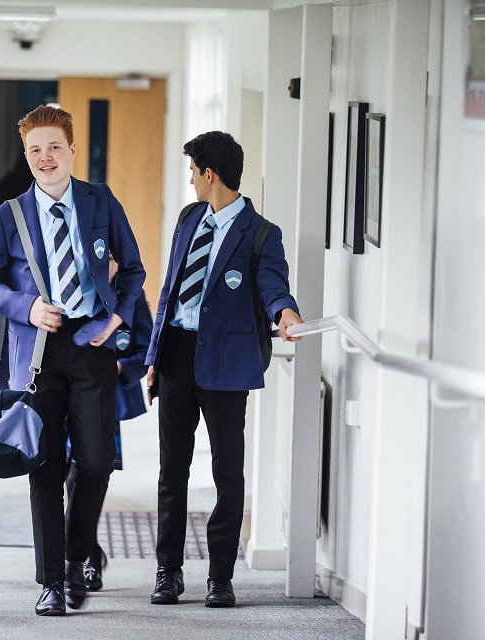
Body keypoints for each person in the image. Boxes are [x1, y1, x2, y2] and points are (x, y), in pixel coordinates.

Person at [0, 105, 145, 617]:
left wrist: (115, 323)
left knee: (94, 462)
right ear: (25, 156)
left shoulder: (101, 201)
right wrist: (26, 308)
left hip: (91, 345)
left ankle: (75, 556)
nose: (45, 158)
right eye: (34, 150)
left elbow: (132, 270)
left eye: (53, 147)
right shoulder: (7, 216)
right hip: (36, 355)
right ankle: (52, 580)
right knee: (43, 466)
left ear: (72, 149)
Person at [145, 131, 303, 609]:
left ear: (210, 174)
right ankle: (168, 572)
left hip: (226, 366)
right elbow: (171, 288)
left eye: (193, 173)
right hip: (176, 354)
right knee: (171, 470)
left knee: (226, 474)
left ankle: (219, 577)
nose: (191, 181)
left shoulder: (260, 233)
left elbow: (274, 284)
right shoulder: (188, 218)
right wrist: (153, 356)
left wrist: (285, 312)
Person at [64, 254, 153, 592]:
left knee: (84, 475)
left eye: (113, 258)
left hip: (102, 399)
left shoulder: (129, 296)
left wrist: (117, 368)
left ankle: (83, 557)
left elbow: (144, 347)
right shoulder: (69, 285)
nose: (106, 264)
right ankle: (90, 550)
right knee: (59, 472)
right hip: (62, 392)